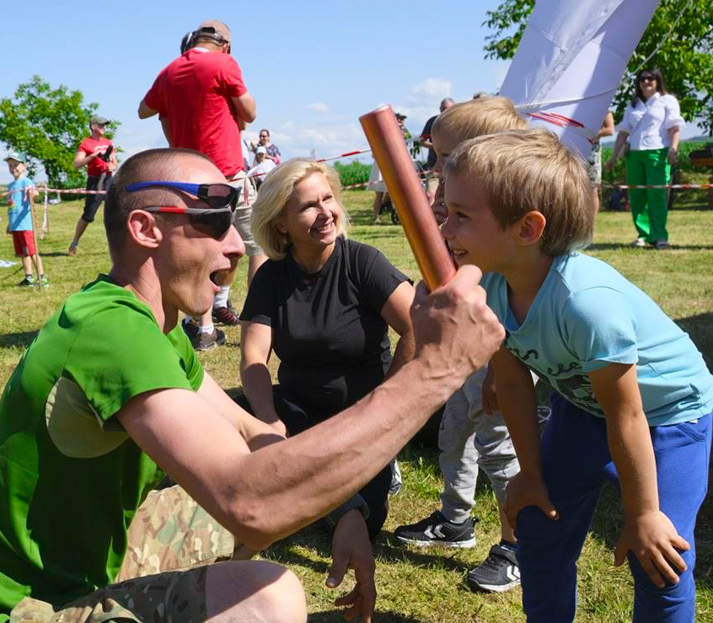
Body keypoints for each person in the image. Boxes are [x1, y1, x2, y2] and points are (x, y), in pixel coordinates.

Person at [0, 147, 505, 623]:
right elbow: (252, 503)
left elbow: (253, 435)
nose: (234, 246)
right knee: (269, 599)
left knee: (222, 504)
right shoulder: (110, 330)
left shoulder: (155, 326)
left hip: (79, 567)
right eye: (211, 221)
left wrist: (349, 510)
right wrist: (434, 371)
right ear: (146, 229)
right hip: (10, 610)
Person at [441, 128, 713, 621]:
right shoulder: (491, 285)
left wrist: (644, 513)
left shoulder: (586, 304)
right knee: (540, 531)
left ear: (526, 229)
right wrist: (530, 474)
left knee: (661, 557)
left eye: (460, 216)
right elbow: (514, 382)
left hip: (669, 418)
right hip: (583, 407)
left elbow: (627, 415)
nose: (444, 230)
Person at [239, 158, 416, 540]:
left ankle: (334, 480)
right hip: (296, 412)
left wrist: (390, 403)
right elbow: (254, 357)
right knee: (224, 416)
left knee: (363, 520)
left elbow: (418, 327)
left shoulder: (363, 262)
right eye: (308, 206)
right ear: (280, 223)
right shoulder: (272, 275)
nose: (325, 213)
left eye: (328, 199)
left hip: (362, 419)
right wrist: (268, 420)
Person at [394, 96, 527, 593]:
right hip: (466, 355)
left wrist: (498, 370)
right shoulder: (463, 212)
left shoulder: (500, 224)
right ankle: (456, 522)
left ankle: (517, 545)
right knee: (454, 436)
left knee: (500, 450)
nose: (438, 167)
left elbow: (511, 310)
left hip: (500, 357)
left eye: (447, 159)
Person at [139, 19, 266, 348]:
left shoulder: (169, 72)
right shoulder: (224, 63)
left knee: (204, 248)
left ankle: (207, 325)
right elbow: (250, 113)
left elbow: (144, 110)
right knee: (256, 248)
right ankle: (257, 321)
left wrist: (174, 133)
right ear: (225, 44)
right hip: (227, 173)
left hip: (187, 178)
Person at [606, 68, 684, 249]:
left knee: (656, 195)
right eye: (642, 79)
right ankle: (643, 234)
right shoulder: (633, 105)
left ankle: (659, 236)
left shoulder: (667, 101)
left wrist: (673, 149)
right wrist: (614, 156)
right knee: (637, 195)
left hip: (658, 152)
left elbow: (674, 127)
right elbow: (623, 132)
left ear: (658, 81)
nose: (646, 82)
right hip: (634, 154)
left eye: (650, 78)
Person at [68, 115, 118, 256]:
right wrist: (93, 156)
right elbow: (76, 164)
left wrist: (112, 167)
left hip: (108, 180)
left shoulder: (108, 142)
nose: (104, 127)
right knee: (89, 215)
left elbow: (115, 163)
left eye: (105, 125)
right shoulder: (86, 144)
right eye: (101, 125)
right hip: (95, 181)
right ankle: (75, 242)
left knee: (114, 213)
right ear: (93, 126)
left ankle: (117, 245)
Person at [4, 152, 47, 288]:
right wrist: (9, 223)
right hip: (15, 225)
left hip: (26, 224)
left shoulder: (26, 181)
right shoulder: (10, 186)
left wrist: (31, 193)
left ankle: (42, 277)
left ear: (24, 166)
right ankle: (28, 277)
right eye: (10, 165)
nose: (13, 168)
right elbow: (11, 206)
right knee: (23, 253)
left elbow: (35, 192)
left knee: (32, 252)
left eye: (16, 165)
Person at [370, 112, 412, 224]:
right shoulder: (381, 132)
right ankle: (376, 216)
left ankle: (396, 215)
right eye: (399, 120)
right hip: (382, 165)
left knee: (395, 193)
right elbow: (374, 153)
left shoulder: (404, 133)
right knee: (379, 193)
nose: (401, 122)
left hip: (395, 165)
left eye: (402, 120)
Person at [420, 98, 455, 206]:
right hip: (435, 166)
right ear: (440, 109)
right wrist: (437, 147)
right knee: (430, 195)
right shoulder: (432, 122)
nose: (445, 112)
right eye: (443, 109)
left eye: (448, 109)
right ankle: (429, 222)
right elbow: (422, 141)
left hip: (453, 169)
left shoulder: (459, 123)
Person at [589, 112, 615, 213]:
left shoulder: (605, 107)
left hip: (592, 153)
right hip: (573, 149)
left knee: (592, 188)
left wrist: (590, 134)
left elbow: (610, 130)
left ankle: (590, 224)